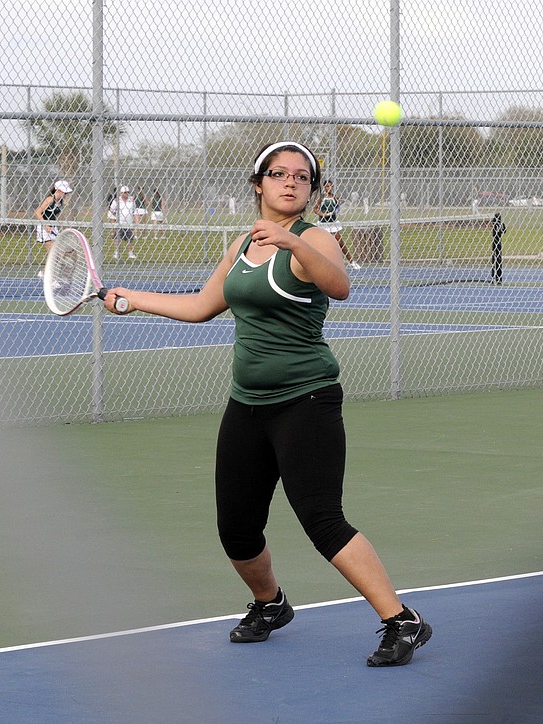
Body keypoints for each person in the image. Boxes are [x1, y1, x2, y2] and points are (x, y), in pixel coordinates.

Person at [103, 141, 432, 667]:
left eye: (302, 177)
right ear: (258, 185)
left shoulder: (314, 237)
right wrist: (134, 298)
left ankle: (402, 621)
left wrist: (292, 243)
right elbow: (202, 306)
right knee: (235, 526)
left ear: (310, 190)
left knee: (323, 520)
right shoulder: (240, 246)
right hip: (247, 404)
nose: (290, 182)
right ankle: (270, 603)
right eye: (278, 174)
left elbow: (340, 285)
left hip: (307, 401)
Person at [314, 180, 360, 270]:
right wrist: (323, 214)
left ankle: (351, 262)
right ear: (324, 188)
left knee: (340, 242)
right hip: (323, 224)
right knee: (321, 244)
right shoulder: (322, 198)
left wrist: (338, 206)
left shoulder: (335, 197)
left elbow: (337, 208)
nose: (329, 188)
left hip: (333, 223)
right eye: (327, 186)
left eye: (330, 186)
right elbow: (315, 209)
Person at [34, 180, 72, 277]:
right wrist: (46, 225)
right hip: (44, 227)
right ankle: (52, 278)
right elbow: (38, 212)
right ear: (58, 190)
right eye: (64, 192)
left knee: (57, 254)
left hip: (53, 228)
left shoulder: (60, 202)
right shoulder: (50, 199)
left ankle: (44, 272)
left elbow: (57, 215)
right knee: (53, 253)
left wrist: (57, 227)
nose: (66, 194)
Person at [108, 186, 138, 261]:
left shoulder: (132, 200)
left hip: (129, 223)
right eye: (125, 192)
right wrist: (115, 218)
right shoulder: (116, 200)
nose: (126, 194)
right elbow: (111, 210)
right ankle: (116, 252)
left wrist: (136, 224)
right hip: (120, 223)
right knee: (116, 238)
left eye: (128, 192)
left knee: (130, 239)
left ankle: (130, 253)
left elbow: (134, 211)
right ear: (121, 193)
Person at [491, 212, 506, 284]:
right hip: (499, 243)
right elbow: (504, 231)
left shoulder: (493, 224)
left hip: (494, 243)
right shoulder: (501, 224)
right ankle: (499, 278)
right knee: (498, 261)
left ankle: (493, 277)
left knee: (494, 261)